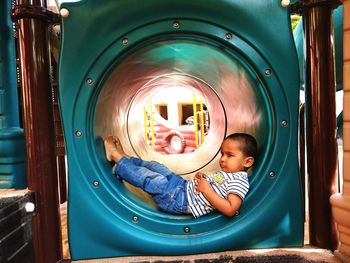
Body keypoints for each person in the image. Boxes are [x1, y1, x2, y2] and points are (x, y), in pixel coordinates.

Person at [104, 133, 257, 218]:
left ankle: (117, 158)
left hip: (180, 202)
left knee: (154, 180)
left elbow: (230, 209)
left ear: (248, 161)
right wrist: (203, 178)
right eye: (222, 154)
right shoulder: (227, 174)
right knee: (157, 167)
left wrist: (206, 190)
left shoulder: (240, 182)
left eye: (230, 155)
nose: (222, 159)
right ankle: (127, 158)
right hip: (182, 186)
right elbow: (215, 183)